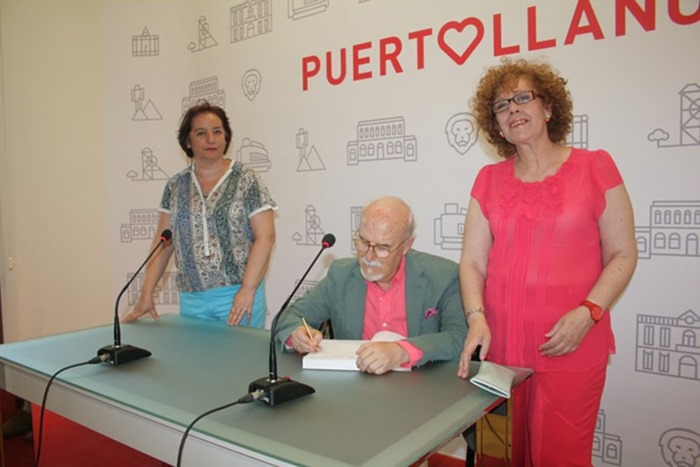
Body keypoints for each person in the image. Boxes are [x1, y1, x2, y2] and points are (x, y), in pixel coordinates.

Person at [457, 58, 637, 466]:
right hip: (501, 349)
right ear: (496, 125)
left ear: (549, 108)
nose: (513, 110)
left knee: (560, 458)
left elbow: (623, 254)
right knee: (500, 458)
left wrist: (588, 313)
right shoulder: (487, 179)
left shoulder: (596, 167)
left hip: (570, 345)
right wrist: (476, 317)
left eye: (523, 98)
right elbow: (471, 262)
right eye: (502, 106)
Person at [123, 101, 276, 328]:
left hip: (238, 296)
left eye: (217, 132)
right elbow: (163, 242)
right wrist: (147, 294)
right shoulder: (176, 186)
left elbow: (266, 237)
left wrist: (247, 289)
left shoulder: (246, 179)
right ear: (188, 141)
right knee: (197, 363)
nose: (211, 139)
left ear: (226, 137)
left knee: (241, 363)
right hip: (192, 299)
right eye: (201, 133)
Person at [275, 196, 467, 374]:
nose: (369, 256)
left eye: (383, 247)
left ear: (406, 245)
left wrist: (403, 351)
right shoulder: (341, 276)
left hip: (421, 385)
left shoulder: (443, 276)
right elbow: (290, 317)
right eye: (363, 242)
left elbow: (459, 337)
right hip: (357, 386)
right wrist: (297, 335)